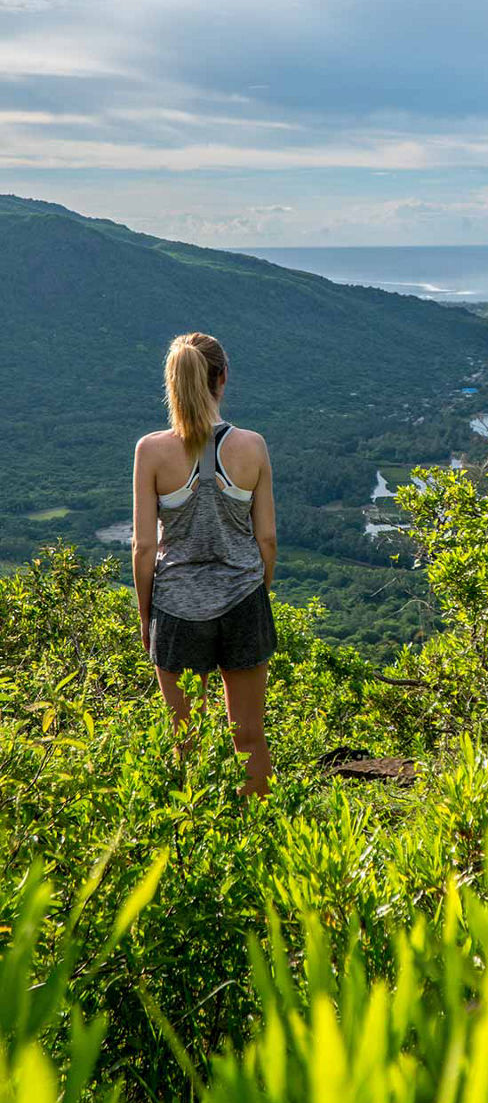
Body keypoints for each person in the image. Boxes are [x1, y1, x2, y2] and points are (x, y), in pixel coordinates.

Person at [132, 332, 278, 796]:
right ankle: (258, 831)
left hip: (176, 608)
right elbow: (267, 538)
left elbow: (142, 547)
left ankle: (193, 843)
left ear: (172, 384)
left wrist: (145, 614)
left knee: (184, 739)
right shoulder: (252, 446)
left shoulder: (151, 451)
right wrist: (259, 592)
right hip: (242, 600)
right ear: (222, 379)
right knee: (249, 735)